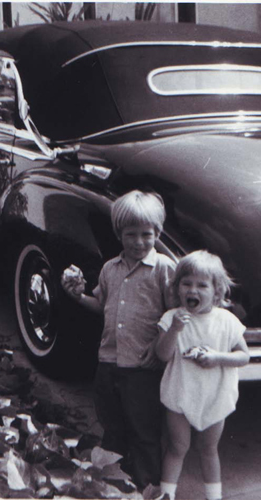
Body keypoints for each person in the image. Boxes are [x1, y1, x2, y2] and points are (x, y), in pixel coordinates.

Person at [61, 190, 176, 491]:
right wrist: (77, 295)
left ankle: (147, 489)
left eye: (146, 234)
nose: (139, 242)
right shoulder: (110, 269)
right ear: (118, 234)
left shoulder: (164, 268)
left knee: (145, 431)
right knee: (112, 426)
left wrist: (160, 345)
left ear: (157, 233)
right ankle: (115, 485)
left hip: (142, 367)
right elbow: (102, 306)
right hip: (108, 362)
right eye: (131, 234)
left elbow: (176, 312)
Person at [151, 250, 250, 500]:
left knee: (208, 448)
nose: (192, 290)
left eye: (201, 285)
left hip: (215, 395)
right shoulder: (171, 318)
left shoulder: (226, 321)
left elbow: (243, 356)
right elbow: (162, 354)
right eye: (186, 283)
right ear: (177, 288)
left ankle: (213, 496)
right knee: (177, 447)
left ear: (216, 292)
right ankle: (166, 495)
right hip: (180, 392)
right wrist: (175, 329)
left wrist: (218, 357)